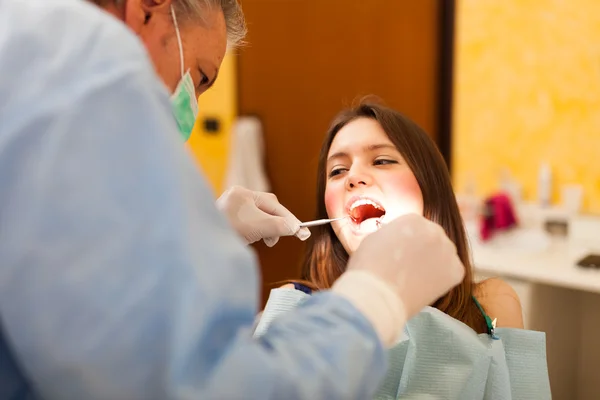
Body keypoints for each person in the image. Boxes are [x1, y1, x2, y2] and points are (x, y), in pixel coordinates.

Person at [0, 1, 467, 399]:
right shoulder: (81, 76)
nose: (354, 179)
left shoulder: (489, 310)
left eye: (382, 161)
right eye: (200, 77)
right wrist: (374, 301)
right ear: (147, 7)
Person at [255, 101, 551, 399]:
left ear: (430, 186)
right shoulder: (293, 312)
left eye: (382, 160)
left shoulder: (493, 305)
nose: (353, 177)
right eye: (337, 170)